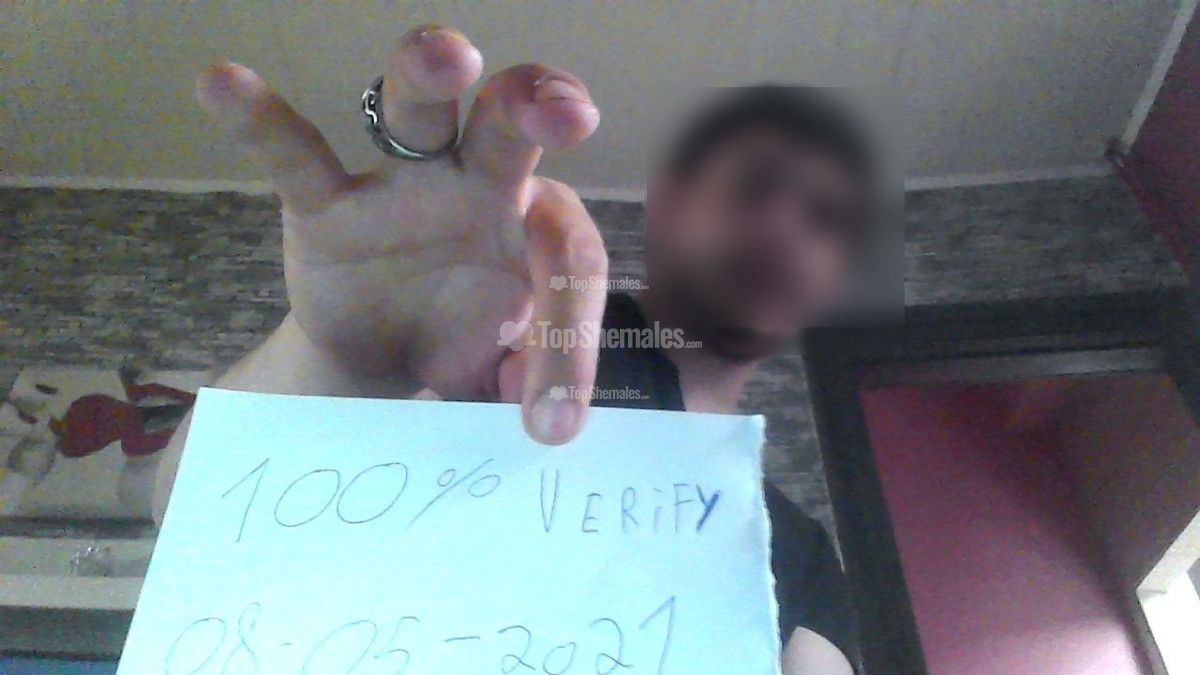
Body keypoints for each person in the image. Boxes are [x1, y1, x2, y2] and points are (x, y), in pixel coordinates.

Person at [152, 24, 874, 674]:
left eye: (826, 215)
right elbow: (193, 526)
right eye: (753, 188)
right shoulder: (513, 337)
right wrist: (334, 362)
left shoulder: (799, 548)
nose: (785, 225)